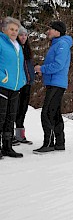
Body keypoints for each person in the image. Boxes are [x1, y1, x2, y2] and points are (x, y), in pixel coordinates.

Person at [33, 20, 73, 153]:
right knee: (54, 112)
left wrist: (42, 68)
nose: (48, 31)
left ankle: (48, 143)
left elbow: (58, 65)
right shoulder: (57, 44)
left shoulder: (61, 44)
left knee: (46, 113)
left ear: (57, 31)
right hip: (53, 82)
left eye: (50, 29)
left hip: (57, 83)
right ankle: (60, 143)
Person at [0, 17, 26, 158]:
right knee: (1, 118)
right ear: (4, 29)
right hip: (2, 85)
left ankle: (7, 146)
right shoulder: (1, 42)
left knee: (11, 118)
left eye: (16, 30)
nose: (14, 32)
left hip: (15, 88)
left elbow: (19, 66)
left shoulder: (17, 45)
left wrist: (22, 79)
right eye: (11, 29)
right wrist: (2, 77)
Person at [13, 26, 35, 145]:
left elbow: (29, 67)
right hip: (17, 84)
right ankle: (9, 136)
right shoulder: (14, 48)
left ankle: (20, 136)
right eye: (21, 35)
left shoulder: (27, 50)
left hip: (27, 84)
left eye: (25, 35)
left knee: (23, 110)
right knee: (13, 110)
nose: (23, 37)